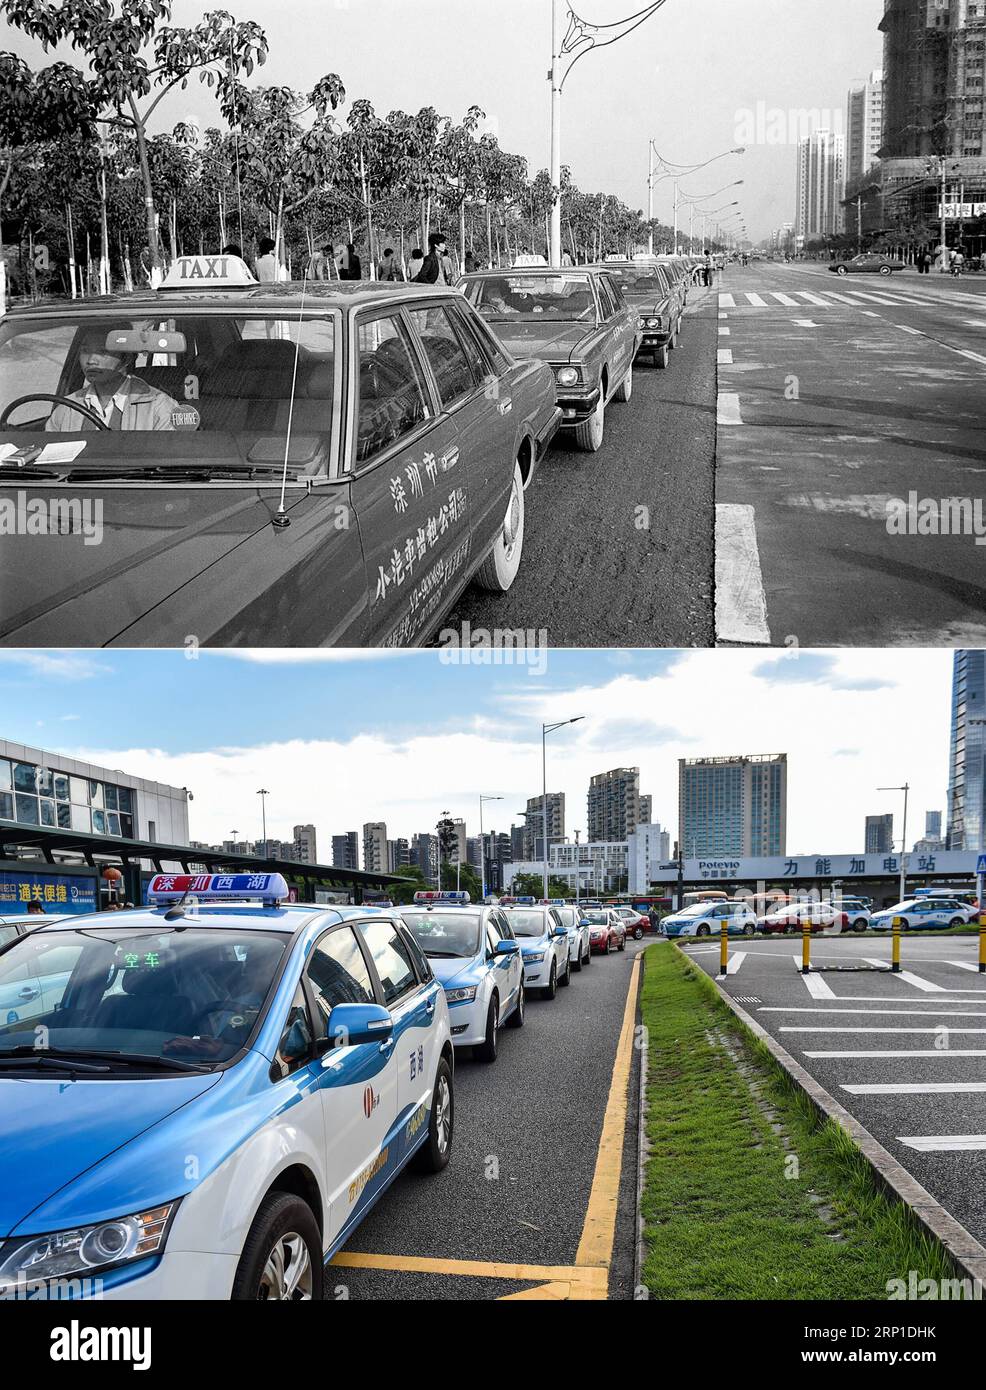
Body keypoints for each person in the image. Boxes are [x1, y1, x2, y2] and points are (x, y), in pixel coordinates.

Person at [46, 324, 180, 433]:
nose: (91, 360)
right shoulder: (66, 409)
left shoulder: (159, 407)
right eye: (86, 351)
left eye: (103, 352)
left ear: (126, 358)